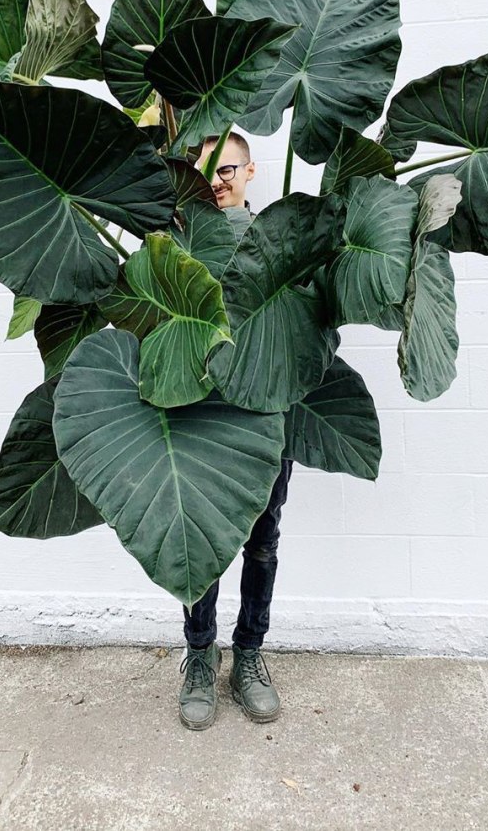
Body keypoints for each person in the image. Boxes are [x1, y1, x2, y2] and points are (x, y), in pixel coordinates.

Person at [176, 132, 294, 731]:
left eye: (226, 170)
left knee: (262, 541)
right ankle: (200, 655)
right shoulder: (179, 241)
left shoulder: (274, 239)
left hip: (268, 406)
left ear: (250, 172)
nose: (216, 183)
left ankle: (249, 653)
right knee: (200, 542)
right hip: (200, 410)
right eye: (205, 173)